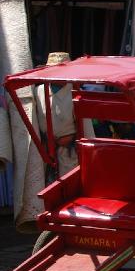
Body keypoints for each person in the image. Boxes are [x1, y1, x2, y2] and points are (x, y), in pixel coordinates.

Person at [34, 52, 94, 181]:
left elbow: (87, 132)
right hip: (45, 154)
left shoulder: (76, 92)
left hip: (69, 154)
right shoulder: (38, 91)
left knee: (68, 191)